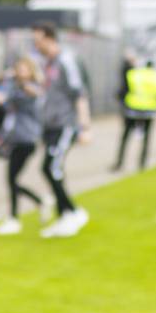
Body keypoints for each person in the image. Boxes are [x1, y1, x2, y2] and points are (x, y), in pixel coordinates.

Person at [31, 21, 92, 238]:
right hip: (51, 125)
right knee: (51, 169)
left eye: (38, 41)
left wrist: (85, 127)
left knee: (51, 168)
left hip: (66, 125)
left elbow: (79, 94)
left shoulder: (66, 60)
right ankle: (64, 215)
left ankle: (73, 212)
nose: (35, 45)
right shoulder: (48, 64)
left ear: (49, 38)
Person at [0, 56, 45, 235]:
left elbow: (36, 96)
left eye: (24, 69)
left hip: (27, 139)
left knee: (12, 180)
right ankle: (36, 204)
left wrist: (20, 85)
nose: (20, 72)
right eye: (18, 69)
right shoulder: (13, 86)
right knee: (12, 180)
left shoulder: (32, 88)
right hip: (14, 138)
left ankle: (15, 217)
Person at [113, 58, 156, 173]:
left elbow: (124, 87)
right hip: (149, 111)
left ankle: (120, 162)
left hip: (133, 110)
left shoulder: (135, 74)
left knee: (125, 137)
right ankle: (142, 163)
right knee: (146, 138)